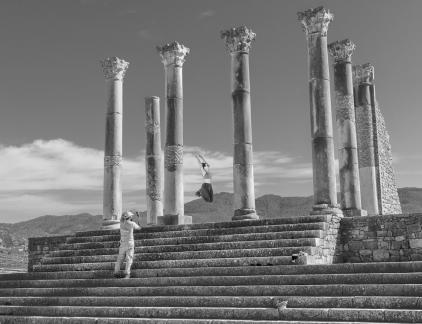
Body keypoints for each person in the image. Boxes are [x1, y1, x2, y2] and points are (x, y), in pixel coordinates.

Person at [113, 210, 140, 279]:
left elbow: (122, 220)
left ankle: (116, 272)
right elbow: (139, 228)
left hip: (122, 243)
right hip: (130, 243)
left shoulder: (121, 224)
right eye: (131, 216)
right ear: (130, 217)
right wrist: (138, 218)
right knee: (129, 258)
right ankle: (127, 273)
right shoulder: (132, 223)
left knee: (120, 259)